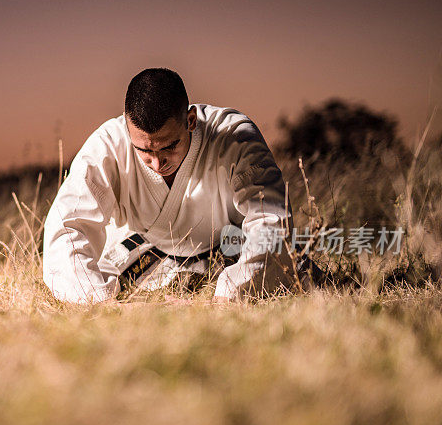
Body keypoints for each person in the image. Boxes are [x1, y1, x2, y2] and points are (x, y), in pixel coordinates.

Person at [42, 67, 302, 303]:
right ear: (126, 125)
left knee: (288, 268)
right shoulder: (106, 146)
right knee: (102, 288)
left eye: (170, 146)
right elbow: (67, 227)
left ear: (190, 120)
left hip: (230, 249)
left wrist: (233, 292)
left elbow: (270, 219)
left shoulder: (234, 136)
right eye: (143, 150)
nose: (157, 163)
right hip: (141, 252)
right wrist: (97, 300)